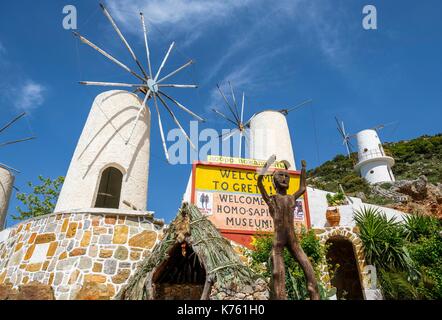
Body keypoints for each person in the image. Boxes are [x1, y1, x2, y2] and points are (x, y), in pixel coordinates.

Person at [257, 159, 320, 300]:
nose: (284, 178)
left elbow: (303, 188)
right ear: (274, 181)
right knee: (278, 275)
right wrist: (265, 168)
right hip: (278, 242)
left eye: (287, 176)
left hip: (293, 241)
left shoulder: (291, 198)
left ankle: (315, 296)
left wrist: (303, 169)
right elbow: (260, 183)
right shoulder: (272, 199)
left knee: (309, 270)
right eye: (280, 175)